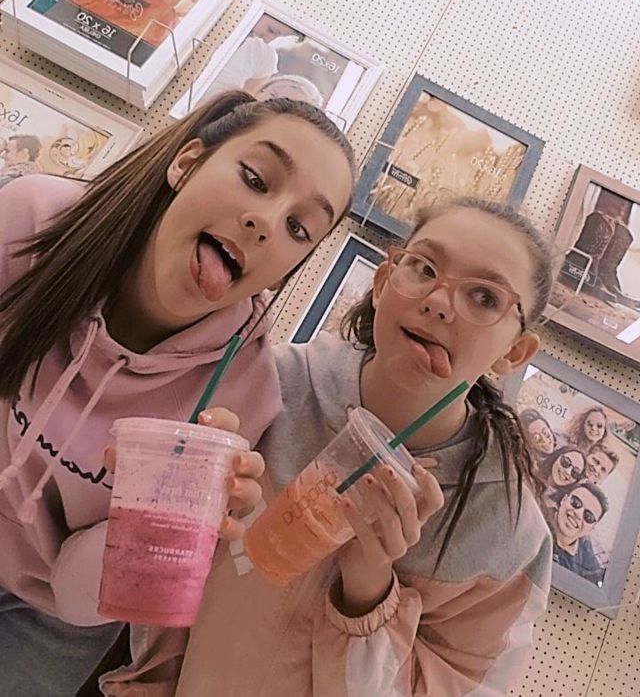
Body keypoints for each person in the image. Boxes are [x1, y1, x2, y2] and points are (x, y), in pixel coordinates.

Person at [100, 196, 554, 697]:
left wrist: (369, 590)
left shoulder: (506, 531)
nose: (439, 303)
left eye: (484, 298)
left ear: (515, 352)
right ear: (384, 280)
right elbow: (149, 590)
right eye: (424, 268)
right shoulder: (266, 385)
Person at [0, 92, 355, 697]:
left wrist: (168, 524)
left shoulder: (241, 396)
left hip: (49, 617)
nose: (266, 223)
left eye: (298, 228)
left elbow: (79, 597)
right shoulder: (32, 223)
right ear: (187, 162)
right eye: (255, 179)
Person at [546, 482, 608, 585]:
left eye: (588, 517)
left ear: (591, 529)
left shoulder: (584, 546)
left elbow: (596, 577)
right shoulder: (535, 519)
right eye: (576, 502)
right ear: (563, 500)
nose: (578, 514)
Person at [537, 444, 586, 510]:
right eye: (566, 462)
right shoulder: (532, 468)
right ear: (557, 456)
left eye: (575, 472)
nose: (567, 472)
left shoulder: (560, 508)